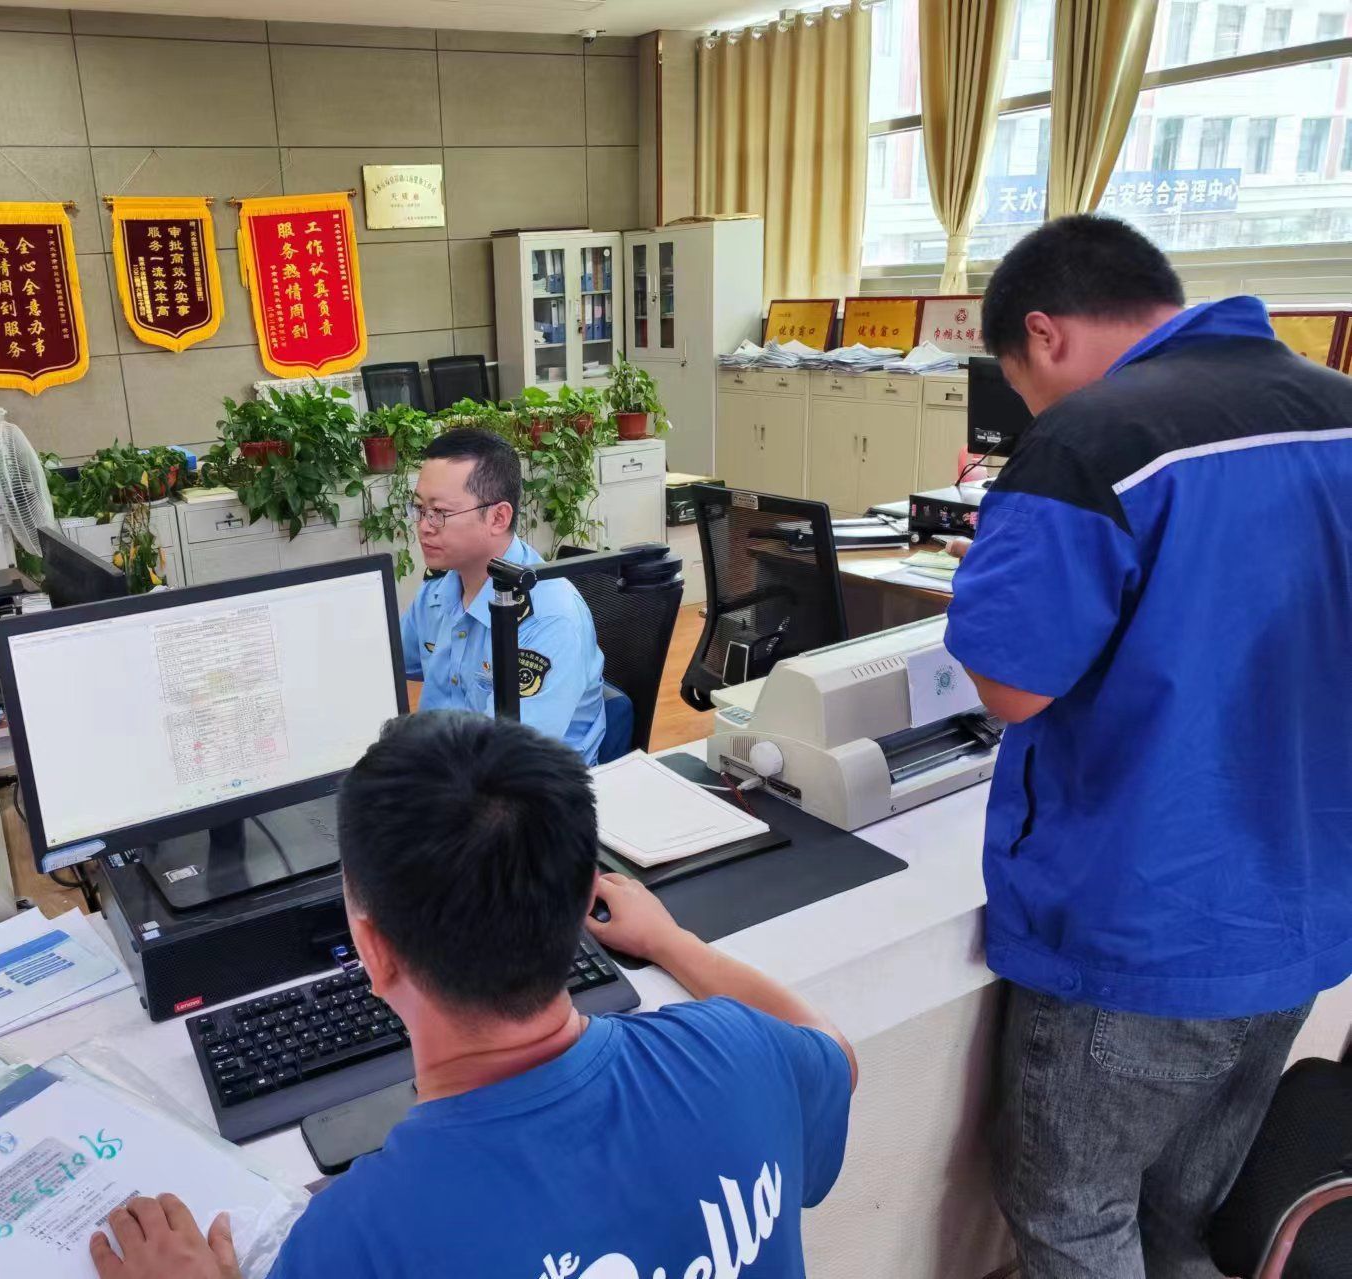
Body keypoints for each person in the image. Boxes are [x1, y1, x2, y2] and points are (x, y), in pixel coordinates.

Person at [89, 711, 858, 1279]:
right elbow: (837, 1057)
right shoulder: (741, 1053)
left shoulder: (362, 1240)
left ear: (373, 950)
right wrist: (672, 941)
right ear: (582, 900)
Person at [944, 214, 1352, 1277]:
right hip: (1303, 908)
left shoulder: (1088, 440)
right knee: (1179, 1212)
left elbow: (1011, 688)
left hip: (1146, 925)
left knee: (1074, 1215)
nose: (1033, 410)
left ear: (1043, 333)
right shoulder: (1336, 408)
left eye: (1021, 387)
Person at [400, 427, 609, 764]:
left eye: (440, 513)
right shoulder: (439, 588)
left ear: (498, 517)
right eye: (419, 509)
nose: (424, 526)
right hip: (443, 769)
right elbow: (390, 664)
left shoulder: (549, 618)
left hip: (526, 785)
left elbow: (506, 759)